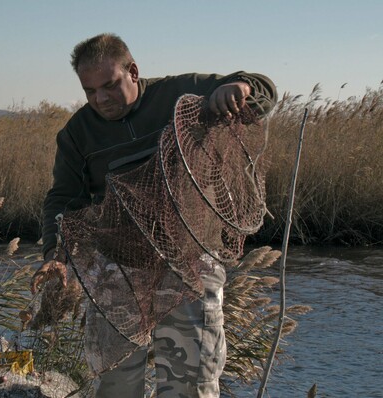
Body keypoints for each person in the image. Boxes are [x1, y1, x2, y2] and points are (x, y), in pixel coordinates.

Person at [31, 33, 277, 397]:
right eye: (90, 90)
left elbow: (264, 90)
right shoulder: (76, 134)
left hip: (191, 265)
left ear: (133, 71)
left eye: (109, 85)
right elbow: (62, 200)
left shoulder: (179, 93)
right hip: (120, 269)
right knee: (115, 384)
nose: (100, 99)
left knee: (192, 384)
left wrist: (239, 87)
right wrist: (55, 254)